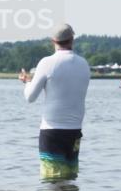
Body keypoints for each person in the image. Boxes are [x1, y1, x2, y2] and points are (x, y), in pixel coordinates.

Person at [19, 23, 90, 181]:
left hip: (52, 132)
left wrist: (27, 82)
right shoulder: (84, 64)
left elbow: (30, 97)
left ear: (53, 40)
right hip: (75, 132)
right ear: (72, 39)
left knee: (52, 183)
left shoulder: (47, 63)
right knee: (70, 180)